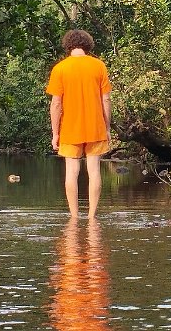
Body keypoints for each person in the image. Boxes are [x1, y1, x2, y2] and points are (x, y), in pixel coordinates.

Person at [46, 29, 112, 219]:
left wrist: (55, 133)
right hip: (95, 126)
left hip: (70, 128)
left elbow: (56, 103)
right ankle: (92, 217)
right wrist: (107, 127)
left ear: (68, 45)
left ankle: (74, 217)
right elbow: (106, 99)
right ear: (88, 45)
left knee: (71, 172)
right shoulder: (98, 66)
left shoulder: (60, 68)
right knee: (94, 171)